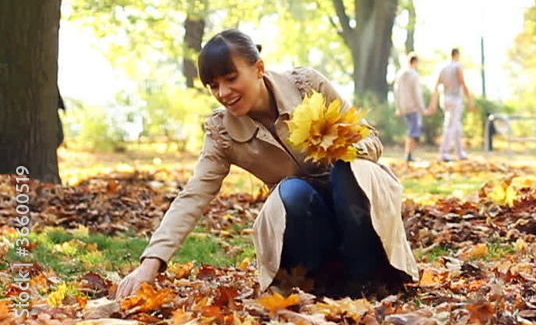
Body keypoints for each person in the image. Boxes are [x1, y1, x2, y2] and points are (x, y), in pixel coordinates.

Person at [116, 29, 419, 300]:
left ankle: (366, 278)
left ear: (258, 68)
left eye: (231, 78)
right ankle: (322, 282)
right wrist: (150, 263)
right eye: (214, 85)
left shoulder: (307, 86)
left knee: (349, 171)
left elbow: (372, 141)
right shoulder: (222, 132)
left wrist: (343, 150)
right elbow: (193, 196)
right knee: (291, 192)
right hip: (306, 224)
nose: (223, 93)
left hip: (356, 209)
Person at [428, 48, 474, 161]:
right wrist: (470, 100)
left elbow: (436, 86)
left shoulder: (443, 68)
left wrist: (433, 102)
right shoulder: (457, 67)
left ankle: (460, 152)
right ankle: (444, 152)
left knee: (456, 125)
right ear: (457, 55)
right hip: (455, 99)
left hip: (445, 99)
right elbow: (462, 83)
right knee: (451, 126)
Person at [393, 52, 427, 163]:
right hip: (413, 107)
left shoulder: (400, 74)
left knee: (410, 130)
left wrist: (398, 107)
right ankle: (409, 154)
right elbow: (416, 93)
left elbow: (396, 91)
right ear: (415, 62)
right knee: (414, 131)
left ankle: (408, 154)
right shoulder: (413, 74)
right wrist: (422, 108)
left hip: (404, 107)